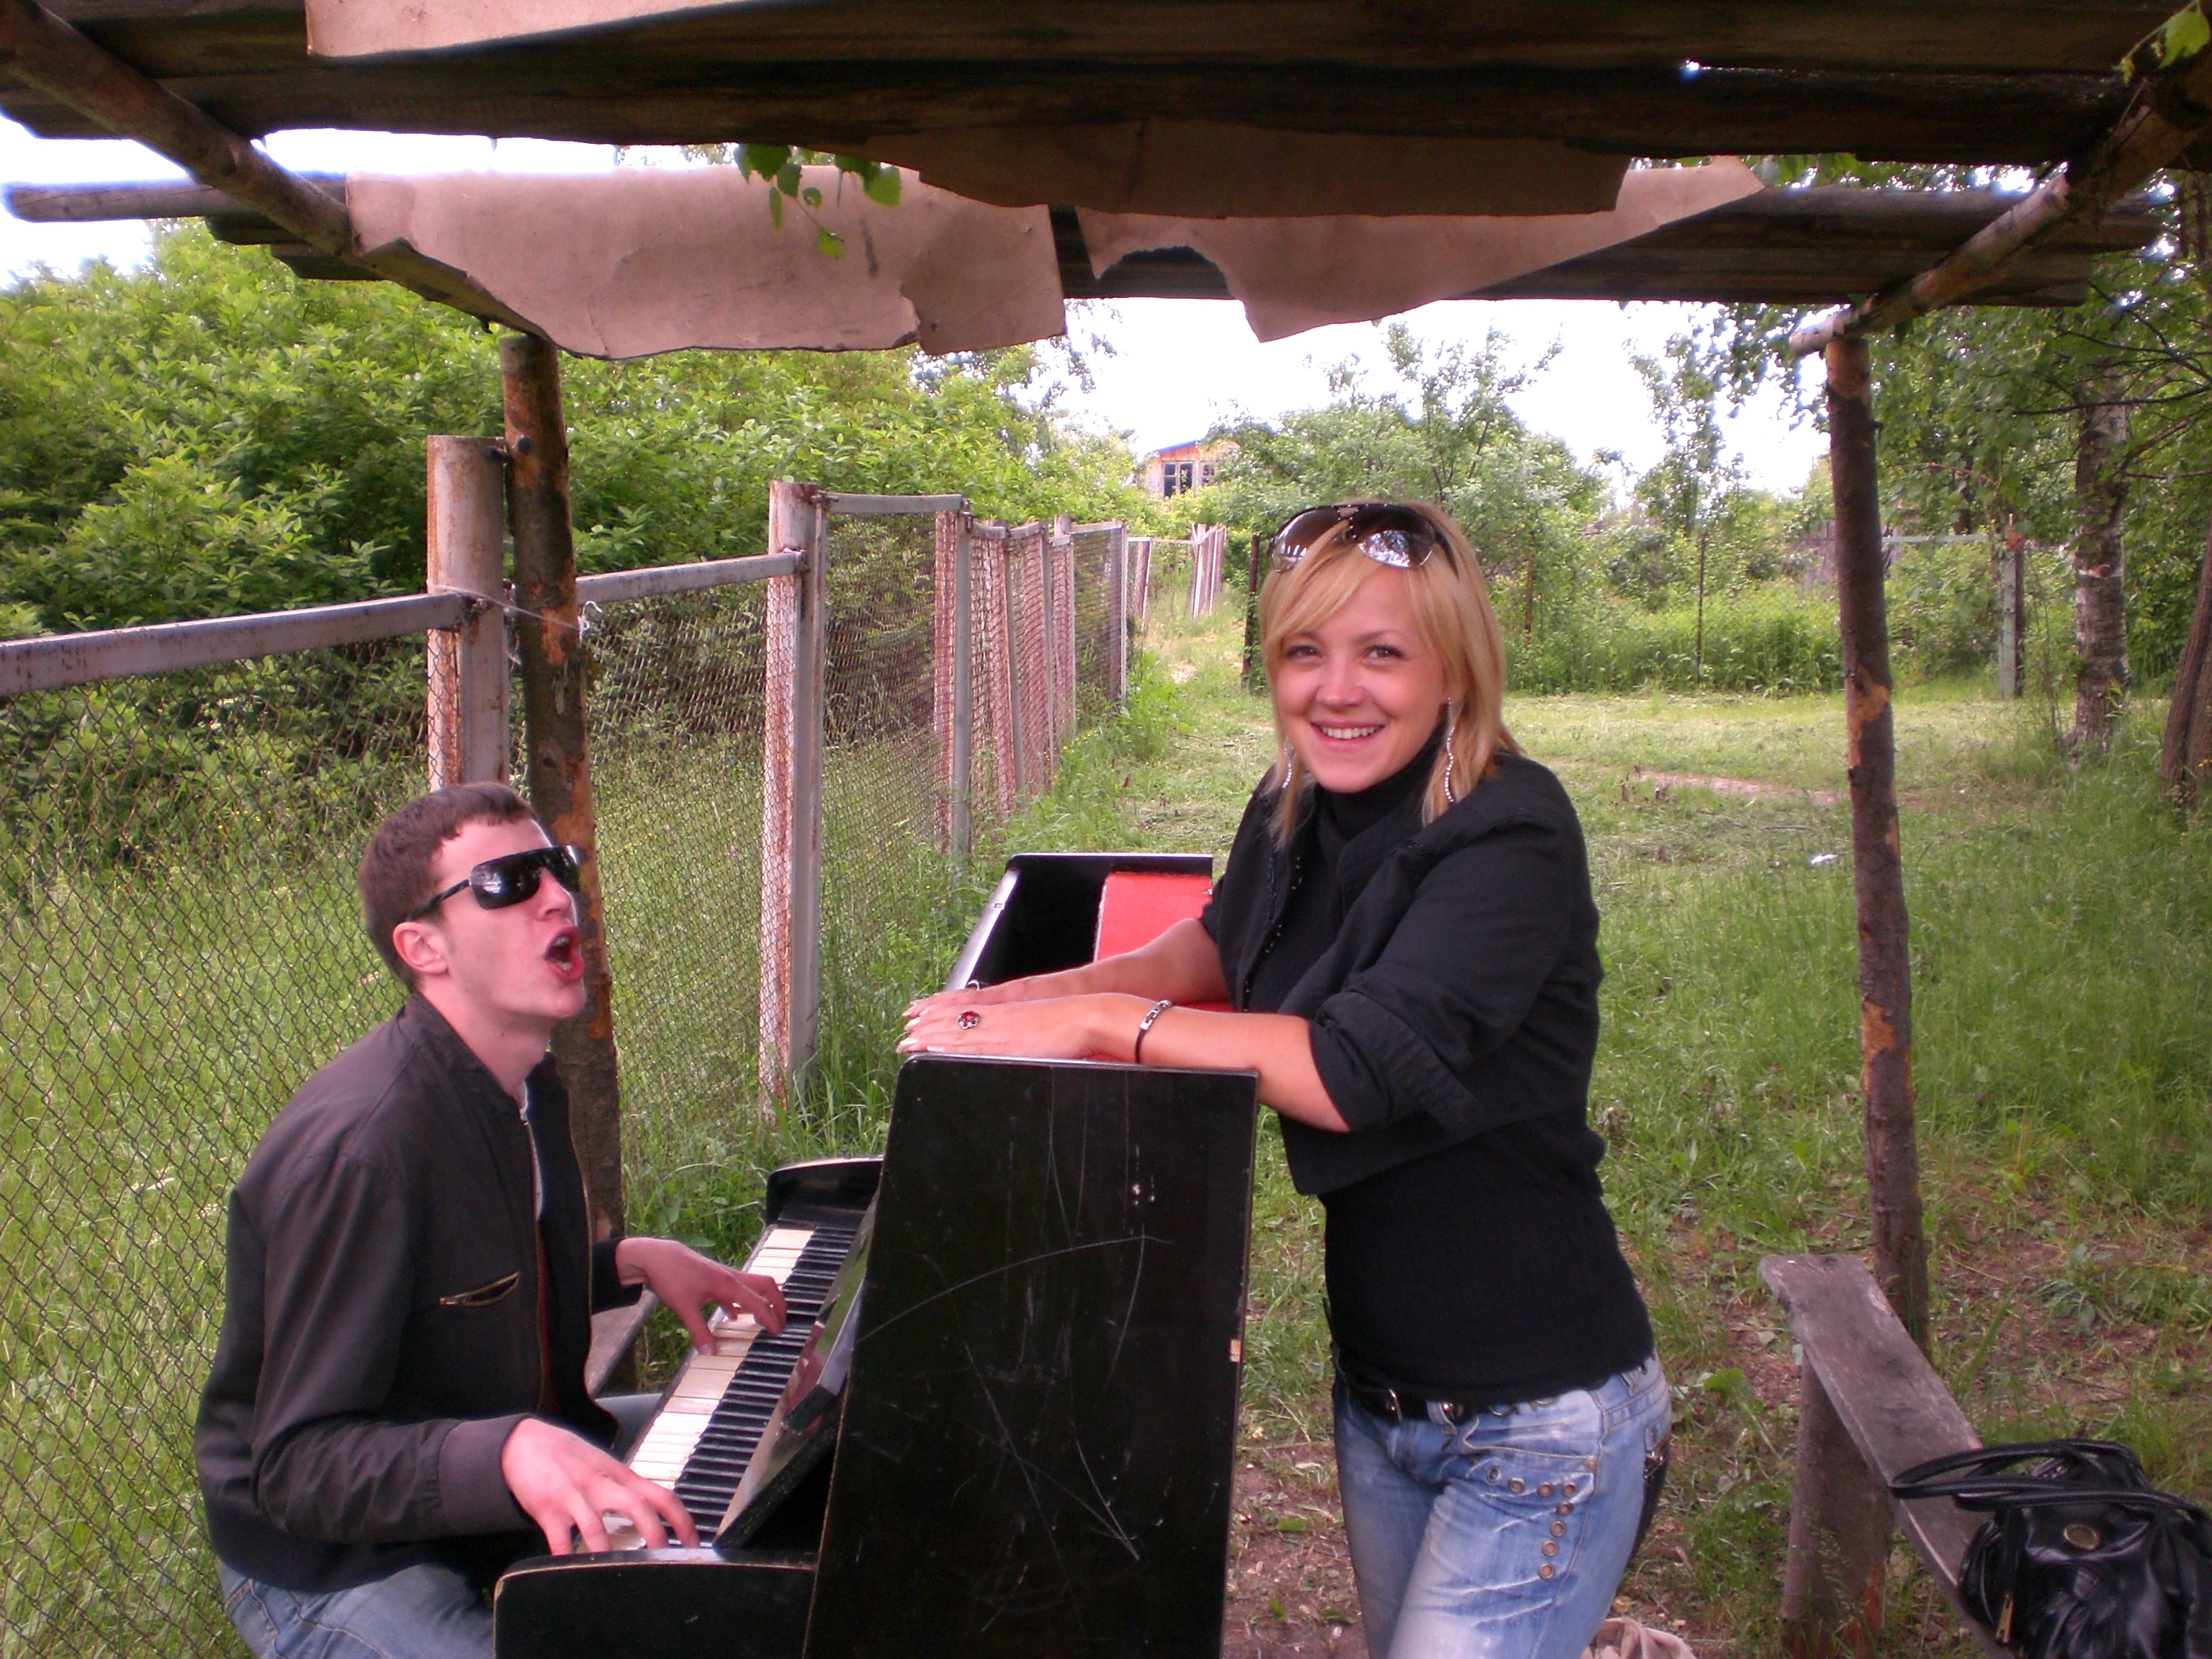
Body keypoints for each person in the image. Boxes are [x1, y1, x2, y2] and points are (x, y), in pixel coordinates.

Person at [900, 502, 1667, 1659]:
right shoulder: (1297, 802)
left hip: (1539, 1421)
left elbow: (1347, 1075)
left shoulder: (1511, 836)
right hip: (1385, 1400)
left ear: (1455, 665)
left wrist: (1104, 1024)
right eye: (1306, 652)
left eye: (1383, 653)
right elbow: (1221, 946)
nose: (1337, 691)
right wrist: (1029, 998)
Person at [196, 783, 788, 1659]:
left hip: (480, 1493)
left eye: (557, 868)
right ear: (422, 947)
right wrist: (508, 1451)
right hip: (336, 1558)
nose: (557, 898)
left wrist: (626, 1261)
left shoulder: (522, 1084)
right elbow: (297, 1465)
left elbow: (463, 1290)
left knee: (782, 1438)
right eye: (508, 883)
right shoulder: (363, 1152)